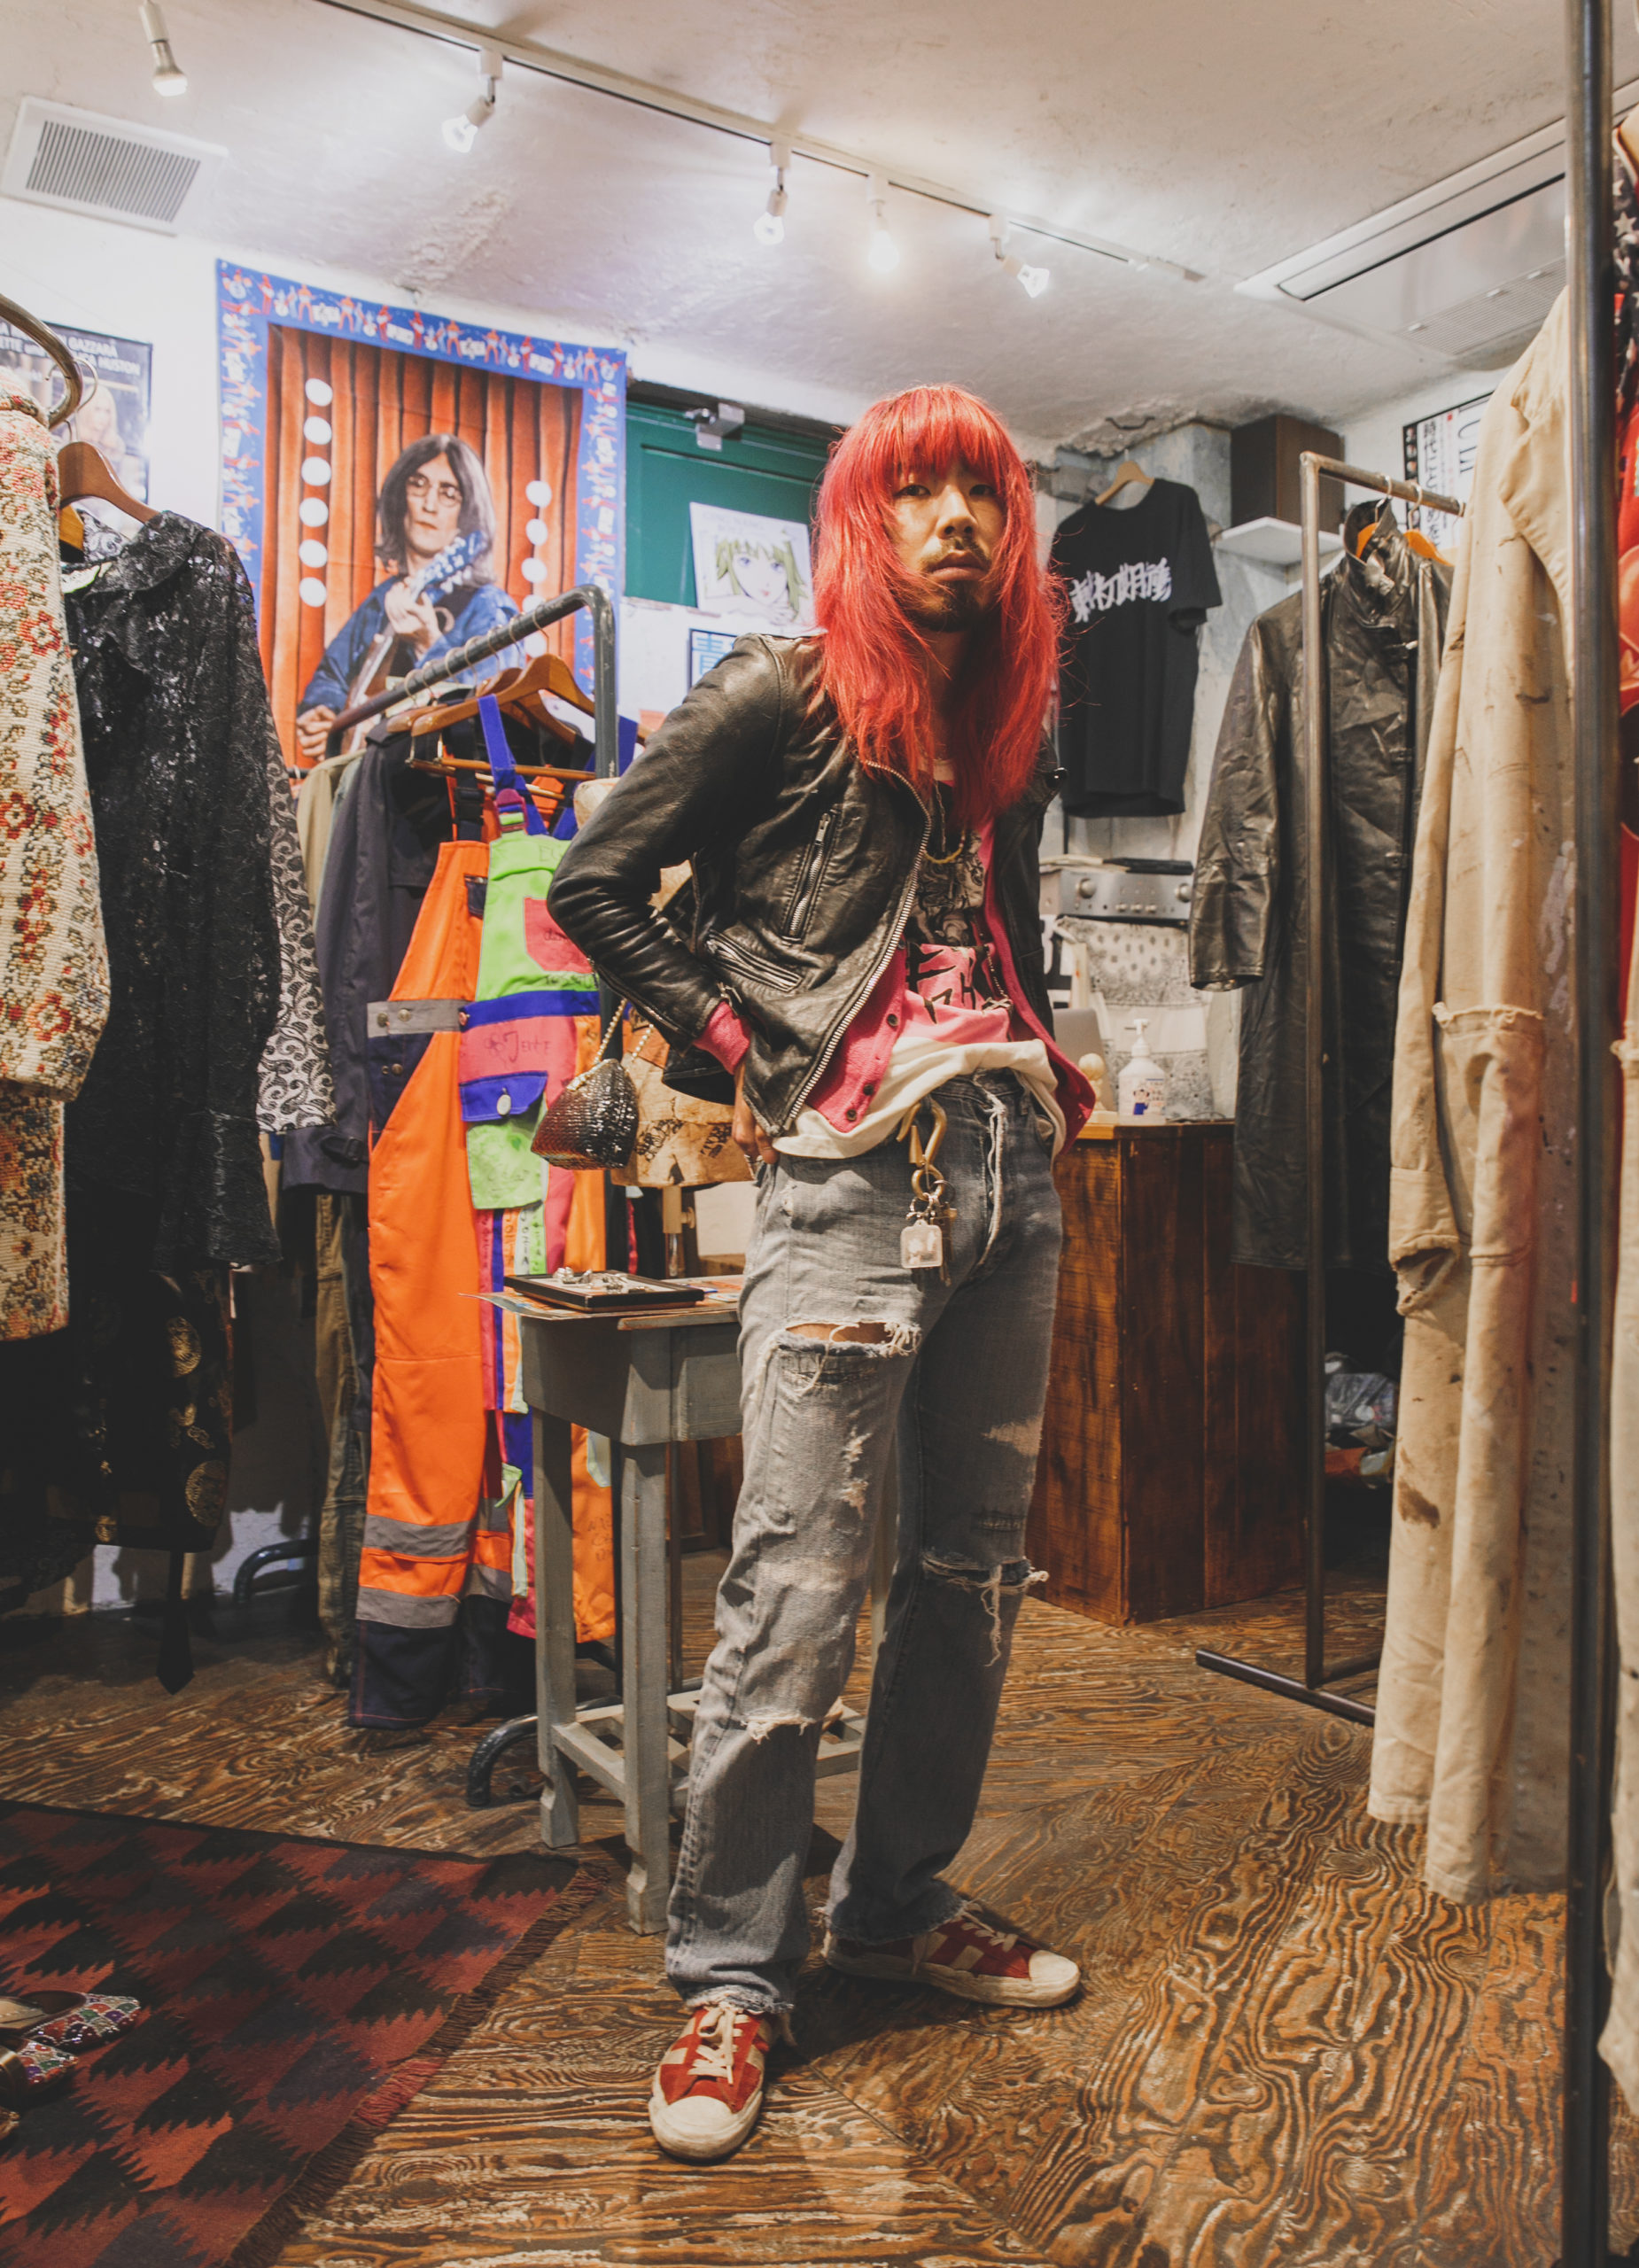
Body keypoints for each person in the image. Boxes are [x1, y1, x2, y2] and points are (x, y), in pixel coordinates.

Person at [549, 383, 1097, 2165]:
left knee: (971, 1574)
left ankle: (896, 1898)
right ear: (863, 519)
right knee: (793, 1588)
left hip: (1007, 1164)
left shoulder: (998, 717)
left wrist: (1047, 1061)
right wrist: (744, 1045)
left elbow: (981, 924)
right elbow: (594, 881)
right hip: (848, 1182)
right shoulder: (777, 693)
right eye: (916, 489)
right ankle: (731, 1967)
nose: (956, 520)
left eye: (982, 493)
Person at [294, 432, 521, 765]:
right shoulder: (384, 598)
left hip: (439, 782)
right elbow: (332, 673)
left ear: (468, 513)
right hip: (366, 773)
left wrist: (429, 643)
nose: (429, 505)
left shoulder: (489, 607)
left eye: (449, 494)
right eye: (418, 485)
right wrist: (323, 712)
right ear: (400, 499)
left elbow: (496, 713)